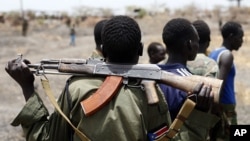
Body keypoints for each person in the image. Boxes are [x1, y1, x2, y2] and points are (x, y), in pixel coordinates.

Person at [5, 15, 214, 141]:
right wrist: (199, 115)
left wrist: (28, 88)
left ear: (102, 50)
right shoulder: (152, 95)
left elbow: (47, 138)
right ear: (141, 50)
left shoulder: (75, 89)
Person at [159, 18, 219, 140]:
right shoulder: (188, 83)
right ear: (189, 45)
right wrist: (201, 111)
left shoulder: (152, 76)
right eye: (197, 41)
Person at [208, 21, 244, 141]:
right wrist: (219, 109)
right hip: (225, 107)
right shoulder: (227, 55)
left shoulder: (214, 52)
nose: (242, 41)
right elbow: (218, 85)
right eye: (240, 37)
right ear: (231, 36)